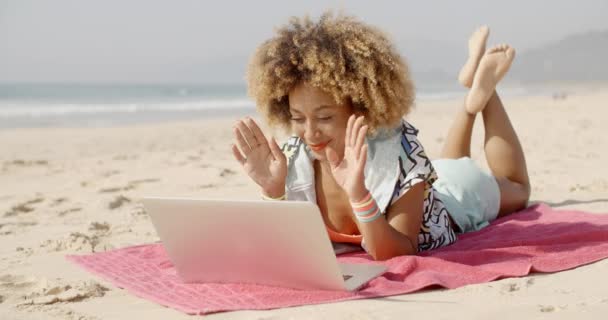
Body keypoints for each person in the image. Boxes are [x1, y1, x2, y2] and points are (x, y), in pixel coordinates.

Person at [231, 13, 530, 260]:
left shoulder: (400, 154)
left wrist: (359, 195)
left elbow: (395, 252)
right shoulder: (295, 156)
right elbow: (285, 248)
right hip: (433, 180)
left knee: (517, 188)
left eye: (324, 117)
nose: (310, 133)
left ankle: (486, 93)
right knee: (449, 162)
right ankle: (472, 96)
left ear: (362, 108)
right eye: (297, 118)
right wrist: (273, 192)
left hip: (457, 196)